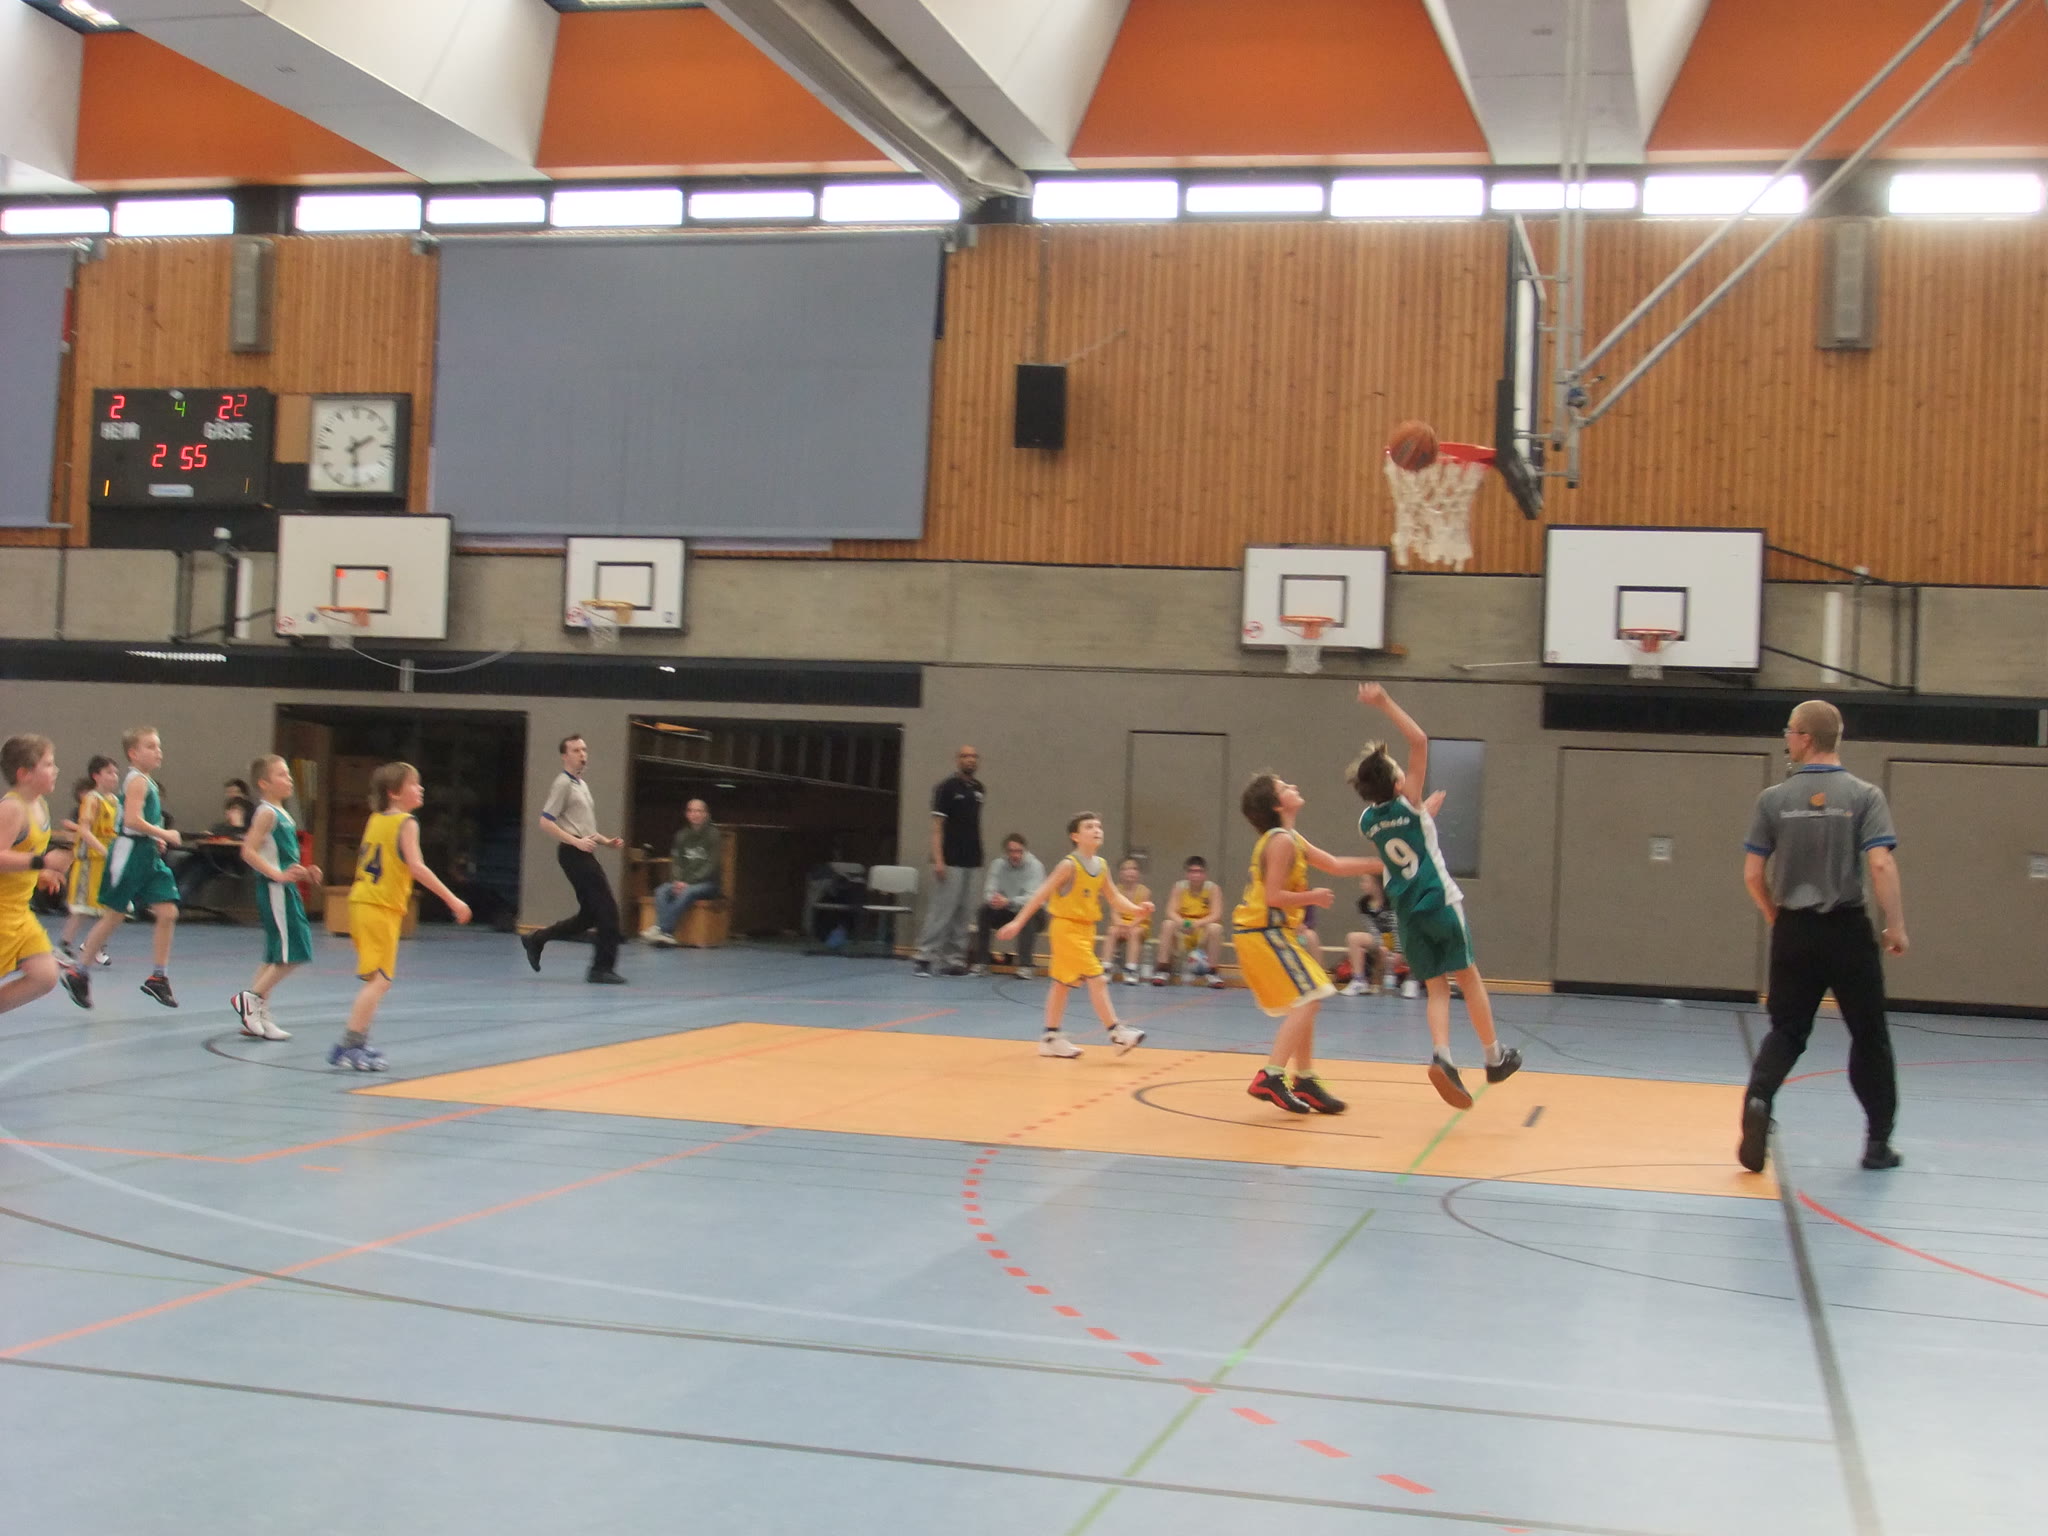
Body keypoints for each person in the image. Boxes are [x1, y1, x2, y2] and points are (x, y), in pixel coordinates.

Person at [1737, 699, 1908, 1174]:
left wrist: (1776, 915)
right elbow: (1880, 864)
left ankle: (1759, 1100)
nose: (1786, 739)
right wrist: (1895, 925)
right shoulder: (1864, 795)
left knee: (1787, 1031)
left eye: (1789, 731)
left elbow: (1752, 874)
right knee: (1868, 1035)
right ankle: (1877, 1143)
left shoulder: (1773, 800)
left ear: (1806, 738)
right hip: (1847, 930)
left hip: (1794, 930)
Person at [1353, 684, 1521, 1108]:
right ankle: (1493, 1057)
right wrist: (1383, 702)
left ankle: (1442, 1056)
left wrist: (1423, 815)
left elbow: (1401, 835)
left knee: (1436, 986)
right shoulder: (1410, 803)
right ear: (1398, 781)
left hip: (1407, 913)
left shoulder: (1367, 821)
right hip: (1438, 900)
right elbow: (1419, 740)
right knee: (1468, 976)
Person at [1233, 774, 1383, 1114]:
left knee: (1309, 997)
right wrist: (1312, 897)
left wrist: (1386, 863)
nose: (1294, 787)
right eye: (1285, 787)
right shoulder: (1281, 841)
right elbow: (1273, 897)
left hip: (1272, 932)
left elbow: (1335, 864)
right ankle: (1271, 1075)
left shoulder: (1291, 838)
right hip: (1262, 931)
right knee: (1311, 997)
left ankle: (1304, 1079)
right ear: (1276, 805)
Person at [335, 761, 470, 1070]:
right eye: (414, 783)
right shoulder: (406, 822)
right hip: (378, 907)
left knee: (377, 980)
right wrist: (453, 899)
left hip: (364, 903)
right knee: (379, 982)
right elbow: (417, 867)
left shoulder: (375, 819)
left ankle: (357, 1042)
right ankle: (350, 1045)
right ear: (394, 792)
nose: (421, 788)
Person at [997, 813, 1152, 1057]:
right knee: (1097, 977)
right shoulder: (1069, 865)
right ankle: (1117, 1033)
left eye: (1099, 826)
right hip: (1066, 928)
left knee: (1062, 984)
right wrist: (1018, 922)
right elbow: (1041, 894)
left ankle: (1050, 1038)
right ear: (1076, 836)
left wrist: (1136, 909)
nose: (1097, 830)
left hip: (1086, 930)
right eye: (1089, 826)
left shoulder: (1101, 865)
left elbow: (1114, 897)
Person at [62, 726, 181, 1010]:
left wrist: (154, 838)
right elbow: (131, 821)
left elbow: (140, 822)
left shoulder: (147, 781)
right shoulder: (136, 780)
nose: (158, 751)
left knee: (168, 911)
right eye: (150, 746)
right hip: (130, 854)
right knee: (114, 915)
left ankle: (159, 977)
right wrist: (165, 833)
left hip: (147, 855)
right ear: (133, 753)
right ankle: (79, 971)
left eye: (158, 746)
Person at [522, 734, 627, 985]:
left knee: (589, 915)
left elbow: (585, 828)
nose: (582, 754)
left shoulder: (581, 785)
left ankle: (537, 939)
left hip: (584, 852)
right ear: (565, 756)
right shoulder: (563, 784)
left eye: (584, 750)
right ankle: (601, 968)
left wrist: (606, 841)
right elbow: (546, 822)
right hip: (573, 854)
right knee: (608, 911)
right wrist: (575, 841)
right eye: (576, 750)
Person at [232, 755, 321, 1042]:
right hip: (275, 891)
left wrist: (304, 872)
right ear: (264, 783)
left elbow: (280, 857)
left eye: (288, 774)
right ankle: (251, 999)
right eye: (282, 774)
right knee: (294, 952)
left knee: (274, 955)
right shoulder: (266, 813)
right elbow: (248, 851)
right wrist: (277, 875)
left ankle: (259, 1016)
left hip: (284, 889)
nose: (289, 779)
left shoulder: (283, 814)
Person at [0, 735, 73, 1021]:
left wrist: (40, 873)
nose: (56, 770)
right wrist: (42, 862)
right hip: (2, 914)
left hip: (18, 913)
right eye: (48, 764)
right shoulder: (12, 808)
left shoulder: (39, 805)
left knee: (44, 976)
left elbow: (21, 852)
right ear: (24, 774)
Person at [913, 744, 984, 978]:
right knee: (941, 911)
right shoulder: (945, 788)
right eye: (965, 756)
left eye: (974, 756)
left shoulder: (979, 789)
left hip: (972, 860)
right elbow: (937, 828)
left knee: (964, 913)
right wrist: (938, 859)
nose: (970, 760)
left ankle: (954, 960)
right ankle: (924, 957)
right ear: (957, 760)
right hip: (950, 860)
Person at [57, 755, 119, 968]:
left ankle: (94, 944)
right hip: (90, 861)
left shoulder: (114, 801)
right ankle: (63, 946)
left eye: (116, 772)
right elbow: (84, 830)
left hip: (106, 862)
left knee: (111, 907)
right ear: (96, 776)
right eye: (109, 772)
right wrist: (103, 849)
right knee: (82, 907)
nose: (114, 777)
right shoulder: (92, 800)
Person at [642, 798, 721, 947]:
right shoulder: (681, 835)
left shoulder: (714, 835)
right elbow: (676, 862)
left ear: (706, 814)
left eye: (699, 811)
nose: (695, 814)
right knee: (661, 890)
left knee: (688, 892)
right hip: (683, 882)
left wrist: (688, 883)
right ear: (687, 814)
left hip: (708, 884)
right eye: (691, 811)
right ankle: (665, 934)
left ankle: (663, 930)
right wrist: (678, 881)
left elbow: (712, 865)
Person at [971, 833, 1044, 977]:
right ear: (1006, 852)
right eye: (1011, 851)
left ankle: (1025, 966)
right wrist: (994, 900)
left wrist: (1009, 901)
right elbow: (989, 891)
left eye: (1019, 851)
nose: (1015, 855)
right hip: (1006, 910)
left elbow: (1033, 898)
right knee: (983, 911)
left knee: (1028, 914)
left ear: (1024, 851)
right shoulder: (997, 865)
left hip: (1033, 913)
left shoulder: (1035, 866)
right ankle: (982, 962)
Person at [1150, 855, 1225, 988]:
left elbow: (1216, 914)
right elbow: (1170, 911)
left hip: (1202, 931)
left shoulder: (1213, 889)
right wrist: (1184, 923)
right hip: (1183, 930)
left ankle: (1212, 972)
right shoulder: (1179, 887)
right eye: (1192, 871)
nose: (1196, 875)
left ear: (1205, 874)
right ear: (1187, 874)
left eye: (1199, 872)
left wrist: (1197, 924)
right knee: (1167, 924)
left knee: (1216, 928)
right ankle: (1162, 969)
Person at [1339, 871, 1398, 997]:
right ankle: (1359, 980)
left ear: (1376, 884)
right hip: (1379, 939)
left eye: (1365, 881)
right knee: (1353, 938)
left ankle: (1406, 981)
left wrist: (1396, 950)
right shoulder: (1363, 903)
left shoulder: (1391, 901)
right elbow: (1372, 928)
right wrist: (1381, 944)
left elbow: (1396, 927)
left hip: (1396, 941)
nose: (1362, 885)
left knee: (1386, 951)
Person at [1100, 856, 1151, 984]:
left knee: (1134, 932)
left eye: (1134, 868)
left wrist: (1130, 926)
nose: (1130, 872)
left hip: (1138, 925)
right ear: (1120, 873)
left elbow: (1143, 915)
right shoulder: (1115, 890)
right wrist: (1121, 925)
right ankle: (1106, 968)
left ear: (1138, 873)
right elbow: (1114, 913)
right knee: (1112, 931)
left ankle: (1131, 969)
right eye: (1126, 869)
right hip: (1120, 924)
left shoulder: (1144, 891)